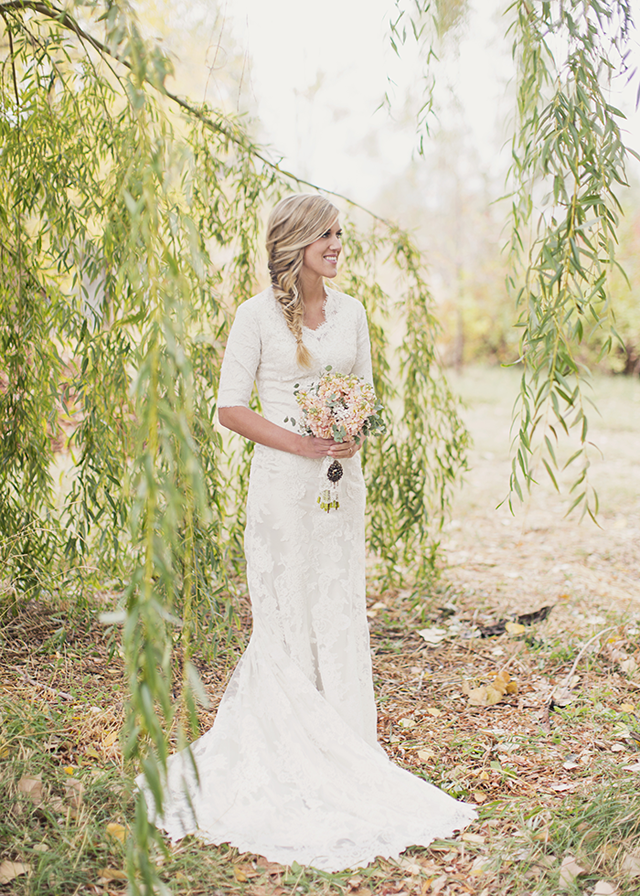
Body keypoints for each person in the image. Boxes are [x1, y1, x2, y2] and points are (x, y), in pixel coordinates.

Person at [139, 193, 476, 871]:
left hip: (340, 489)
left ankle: (347, 742)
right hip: (282, 489)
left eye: (339, 234)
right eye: (326, 234)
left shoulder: (352, 313)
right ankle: (289, 743)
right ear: (293, 243)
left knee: (336, 606)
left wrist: (353, 433)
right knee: (288, 605)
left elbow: (368, 392)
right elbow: (229, 408)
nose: (337, 244)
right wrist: (300, 443)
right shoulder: (255, 317)